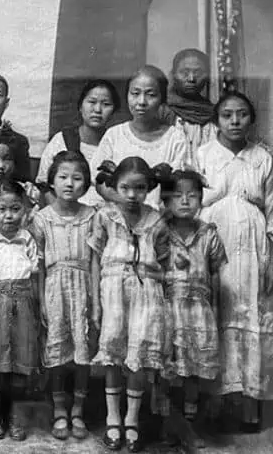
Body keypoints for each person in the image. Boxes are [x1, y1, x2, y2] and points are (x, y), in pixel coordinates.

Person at [196, 92, 273, 430]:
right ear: (216, 120)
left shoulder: (264, 159)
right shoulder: (201, 155)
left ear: (252, 119)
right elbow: (188, 200)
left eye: (242, 114)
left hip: (253, 248)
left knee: (251, 314)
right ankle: (214, 402)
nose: (234, 121)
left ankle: (249, 403)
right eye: (227, 115)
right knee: (214, 314)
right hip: (212, 243)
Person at [90, 157, 171, 452]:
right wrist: (96, 303)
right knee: (112, 352)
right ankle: (113, 418)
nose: (132, 194)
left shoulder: (157, 220)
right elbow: (95, 259)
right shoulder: (105, 216)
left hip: (146, 293)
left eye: (139, 188)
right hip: (112, 290)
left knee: (138, 354)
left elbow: (164, 260)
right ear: (114, 187)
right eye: (125, 187)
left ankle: (132, 420)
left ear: (149, 188)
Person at [30, 151, 97, 441]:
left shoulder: (92, 217)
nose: (69, 183)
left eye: (77, 178)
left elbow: (95, 261)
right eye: (63, 177)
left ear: (86, 184)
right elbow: (38, 265)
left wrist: (95, 300)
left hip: (83, 288)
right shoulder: (41, 219)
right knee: (57, 354)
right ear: (52, 182)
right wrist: (42, 300)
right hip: (54, 288)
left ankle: (78, 410)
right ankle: (59, 410)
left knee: (82, 355)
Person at [160, 169, 226, 449]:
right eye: (177, 196)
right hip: (168, 311)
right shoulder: (160, 233)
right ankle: (167, 424)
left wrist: (216, 311)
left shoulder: (208, 234)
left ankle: (190, 423)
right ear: (165, 201)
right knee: (168, 370)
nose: (185, 201)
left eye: (192, 196)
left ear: (201, 199)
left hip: (199, 312)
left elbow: (214, 276)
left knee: (194, 372)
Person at [0, 179, 40, 442]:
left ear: (25, 210)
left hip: (24, 303)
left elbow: (35, 275)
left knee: (20, 362)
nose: (9, 216)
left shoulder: (27, 238)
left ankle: (16, 415)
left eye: (15, 209)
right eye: (2, 209)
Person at [91, 66, 188, 209]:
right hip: (118, 217)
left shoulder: (175, 138)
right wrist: (127, 203)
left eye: (151, 94)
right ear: (127, 96)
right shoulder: (114, 135)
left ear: (162, 99)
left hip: (159, 221)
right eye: (135, 93)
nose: (141, 101)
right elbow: (98, 180)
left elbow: (178, 185)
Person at [36, 80, 120, 206]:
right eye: (91, 102)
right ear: (80, 106)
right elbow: (44, 186)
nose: (97, 109)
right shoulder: (62, 141)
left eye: (106, 104)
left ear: (113, 110)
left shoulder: (116, 143)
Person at [162, 49, 216, 167]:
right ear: (174, 74)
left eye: (198, 73)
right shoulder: (162, 111)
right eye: (184, 72)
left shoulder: (214, 114)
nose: (191, 78)